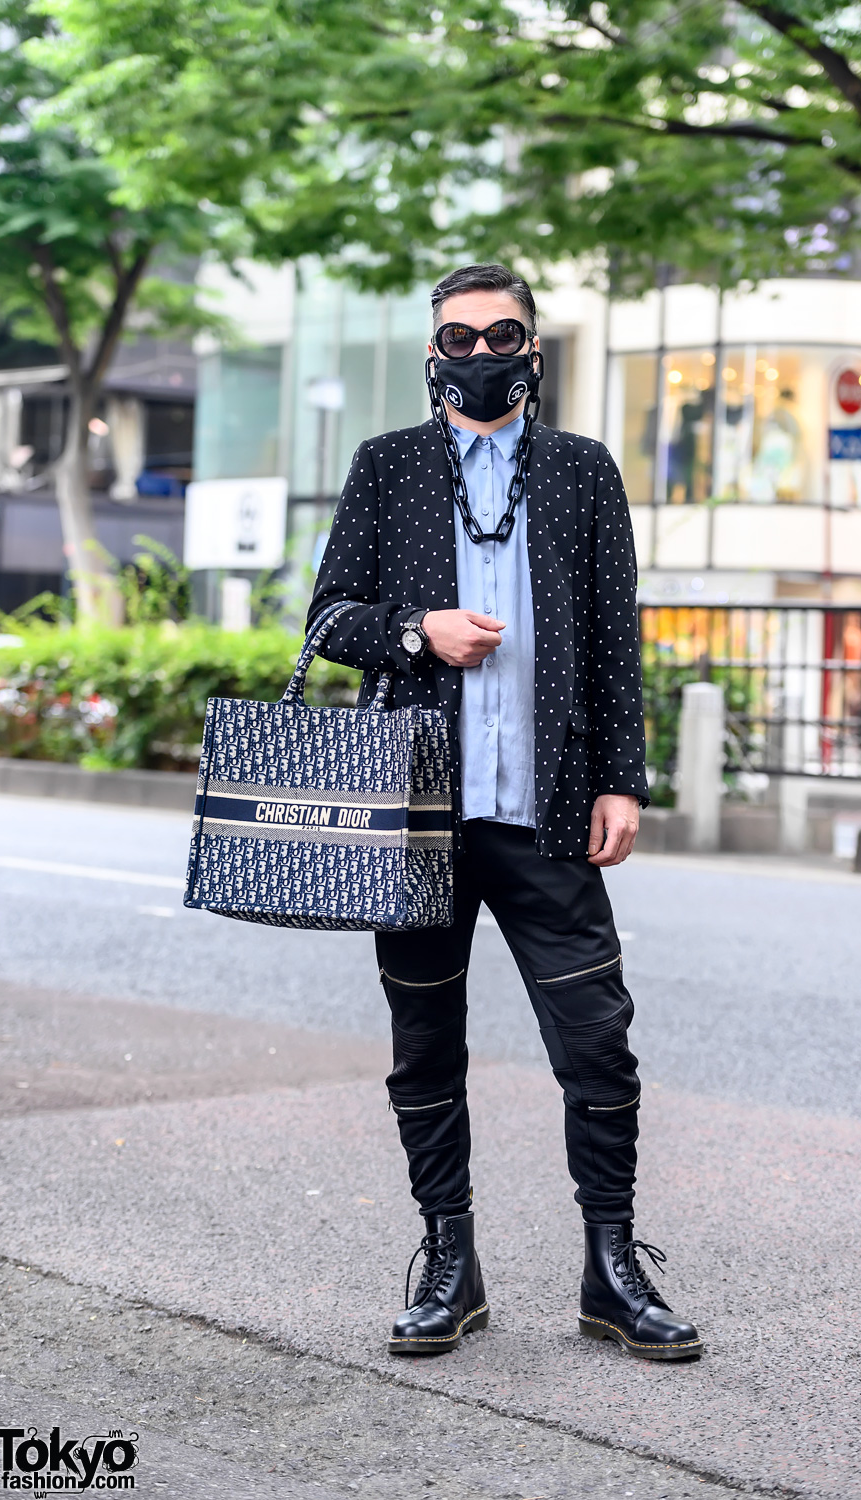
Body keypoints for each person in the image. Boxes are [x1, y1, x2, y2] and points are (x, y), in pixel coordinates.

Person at [307, 263, 701, 1363]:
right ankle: (448, 1265)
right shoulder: (385, 467)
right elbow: (328, 615)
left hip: (548, 811)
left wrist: (623, 777)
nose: (481, 354)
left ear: (533, 348)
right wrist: (415, 630)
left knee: (599, 1045)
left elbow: (615, 641)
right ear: (432, 351)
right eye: (461, 337)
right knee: (424, 1046)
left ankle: (612, 1272)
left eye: (503, 335)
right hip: (418, 820)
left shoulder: (581, 472)